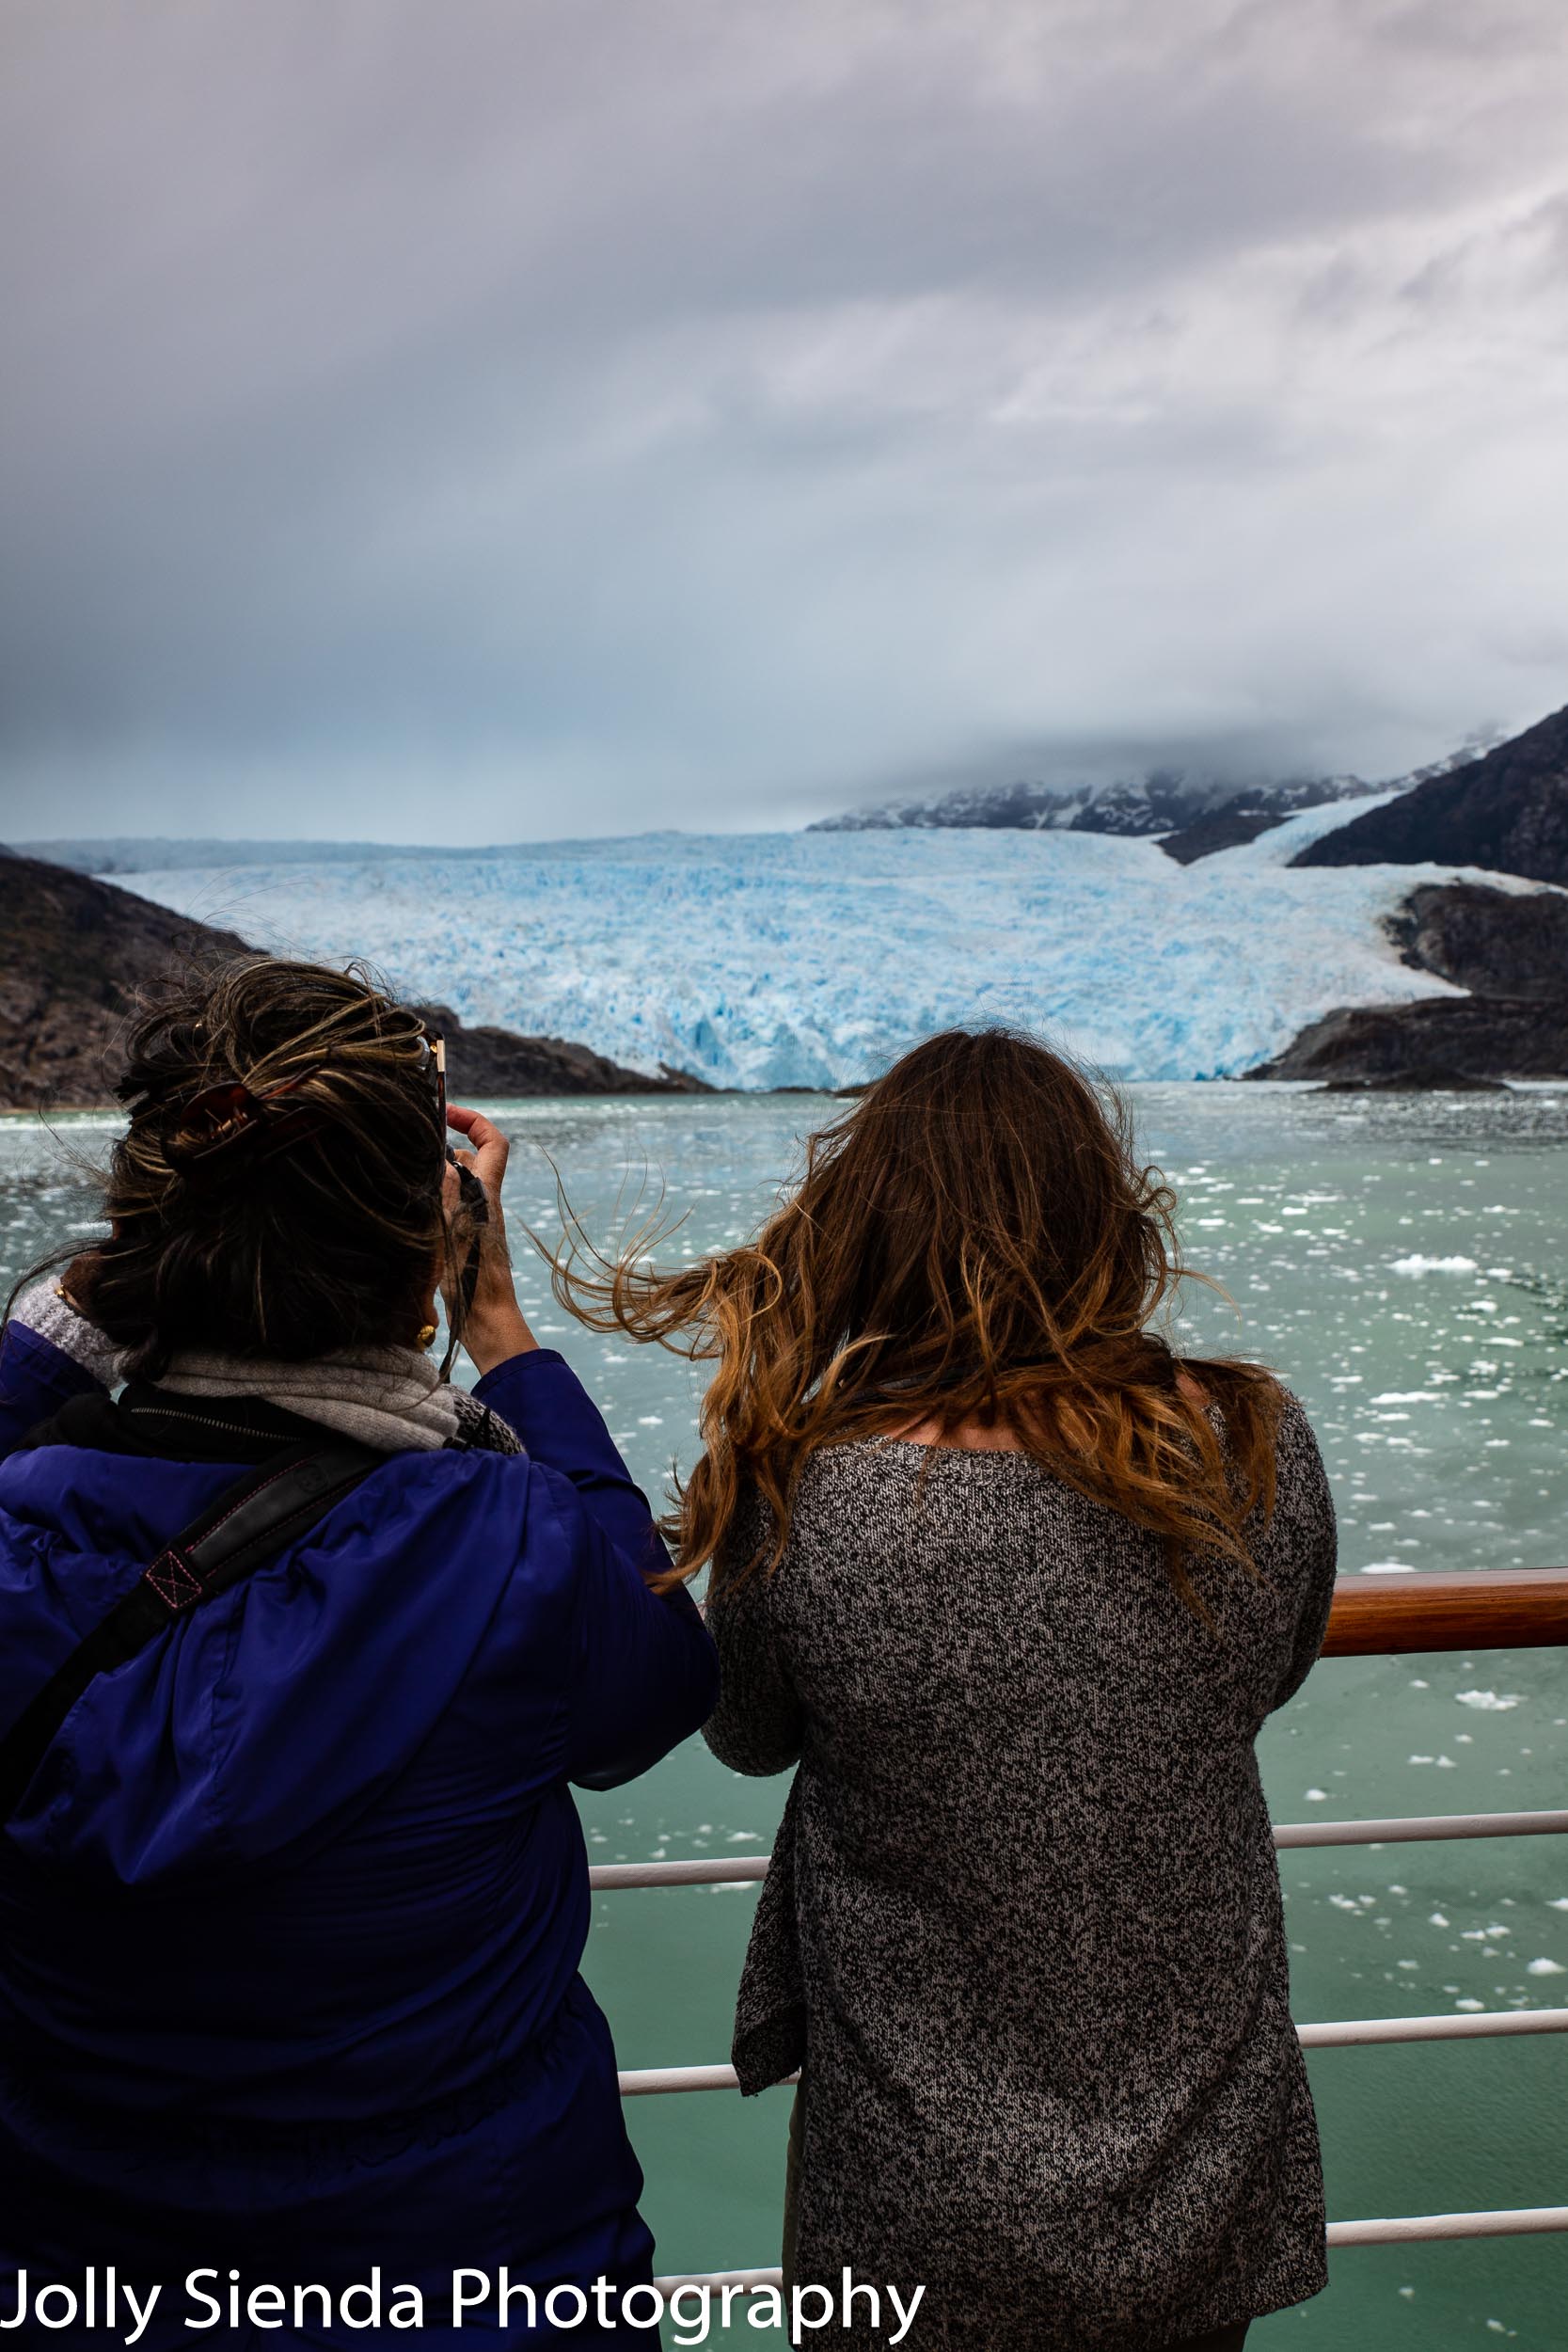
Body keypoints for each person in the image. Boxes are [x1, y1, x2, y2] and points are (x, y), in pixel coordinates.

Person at [565, 1027, 1338, 2352]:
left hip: (916, 2181)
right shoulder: (1247, 1437)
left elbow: (747, 1735)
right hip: (1194, 2162)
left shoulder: (809, 1482)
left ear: (871, 1225)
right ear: (1100, 1215)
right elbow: (1263, 1670)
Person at [0, 957, 718, 2346]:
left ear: (151, 1216)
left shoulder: (20, 1531)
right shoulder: (514, 1541)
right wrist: (498, 1328)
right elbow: (660, 1687)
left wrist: (103, 1291)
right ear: (429, 1245)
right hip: (474, 2284)